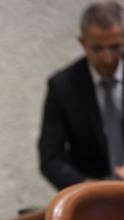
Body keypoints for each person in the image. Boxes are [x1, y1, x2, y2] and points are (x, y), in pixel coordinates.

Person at [38, 1, 124, 190]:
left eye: (115, 47)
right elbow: (51, 158)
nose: (108, 58)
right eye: (98, 49)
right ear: (83, 43)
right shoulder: (62, 86)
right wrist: (85, 187)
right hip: (95, 203)